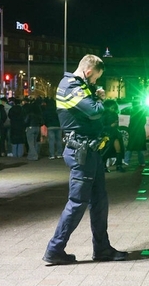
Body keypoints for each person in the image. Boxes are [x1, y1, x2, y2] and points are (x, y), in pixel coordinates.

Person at [43, 55, 127, 265]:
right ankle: (55, 249)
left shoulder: (80, 86)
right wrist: (100, 98)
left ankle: (102, 249)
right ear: (89, 72)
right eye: (96, 78)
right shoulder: (71, 86)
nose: (96, 83)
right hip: (81, 152)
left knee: (100, 202)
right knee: (77, 202)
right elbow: (94, 111)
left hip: (90, 152)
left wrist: (95, 94)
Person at [124, 100, 147, 168]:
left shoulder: (132, 111)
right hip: (140, 132)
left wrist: (130, 130)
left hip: (133, 132)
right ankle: (141, 162)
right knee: (140, 148)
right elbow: (144, 121)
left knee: (130, 147)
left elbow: (131, 123)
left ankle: (126, 161)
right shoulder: (142, 111)